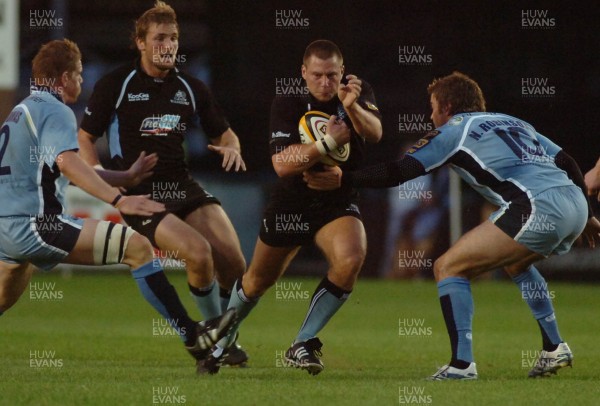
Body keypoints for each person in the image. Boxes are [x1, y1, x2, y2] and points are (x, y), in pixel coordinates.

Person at [305, 71, 600, 379]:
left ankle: (462, 365)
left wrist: (346, 179)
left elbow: (400, 171)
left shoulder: (453, 130)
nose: (431, 116)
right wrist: (589, 213)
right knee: (516, 264)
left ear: (446, 107)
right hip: (573, 202)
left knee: (448, 266)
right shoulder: (514, 122)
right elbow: (567, 161)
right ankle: (554, 347)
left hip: (537, 206)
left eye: (432, 107)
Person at [0, 39, 236, 363]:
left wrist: (123, 178)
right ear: (64, 77)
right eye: (79, 75)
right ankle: (194, 336)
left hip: (5, 229)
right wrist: (119, 200)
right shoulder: (55, 109)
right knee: (137, 248)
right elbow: (69, 163)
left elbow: (63, 168)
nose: (82, 83)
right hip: (37, 225)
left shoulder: (21, 110)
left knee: (4, 295)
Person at [77, 1, 248, 368]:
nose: (167, 45)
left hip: (183, 185)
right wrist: (99, 175)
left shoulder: (190, 87)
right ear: (140, 42)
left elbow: (225, 132)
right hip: (141, 194)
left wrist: (231, 146)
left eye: (173, 38)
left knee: (235, 264)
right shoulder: (117, 84)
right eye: (159, 38)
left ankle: (222, 340)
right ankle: (212, 344)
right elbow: (85, 136)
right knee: (199, 254)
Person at [198, 39, 383, 375]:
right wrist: (327, 143)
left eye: (331, 75)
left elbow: (376, 133)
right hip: (292, 202)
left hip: (337, 201)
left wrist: (353, 107)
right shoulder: (288, 101)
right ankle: (223, 343)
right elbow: (282, 165)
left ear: (343, 71)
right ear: (303, 73)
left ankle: (303, 342)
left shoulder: (357, 92)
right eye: (317, 75)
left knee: (351, 258)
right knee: (257, 281)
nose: (325, 83)